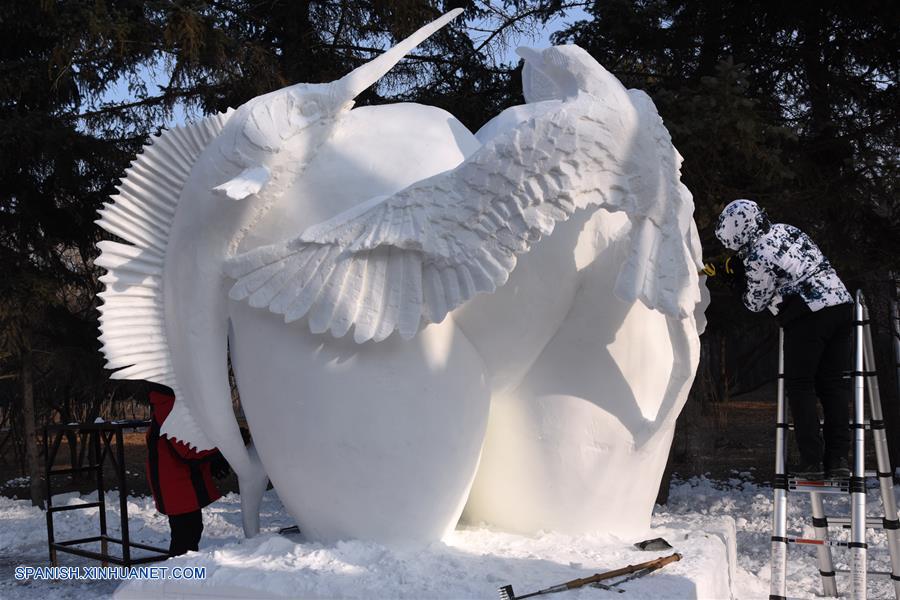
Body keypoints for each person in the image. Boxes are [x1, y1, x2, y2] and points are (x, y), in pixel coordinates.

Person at [713, 199, 854, 479]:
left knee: (801, 386)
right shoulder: (787, 230)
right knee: (833, 385)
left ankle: (812, 459)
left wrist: (734, 281)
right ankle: (838, 458)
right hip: (840, 303)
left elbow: (755, 302)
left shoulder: (755, 255)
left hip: (808, 314)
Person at [146, 382, 230, 555]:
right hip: (174, 483)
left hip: (177, 481)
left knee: (190, 531)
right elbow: (188, 449)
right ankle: (177, 578)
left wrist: (215, 458)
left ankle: (180, 577)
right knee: (185, 536)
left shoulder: (171, 405)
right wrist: (224, 448)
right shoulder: (169, 407)